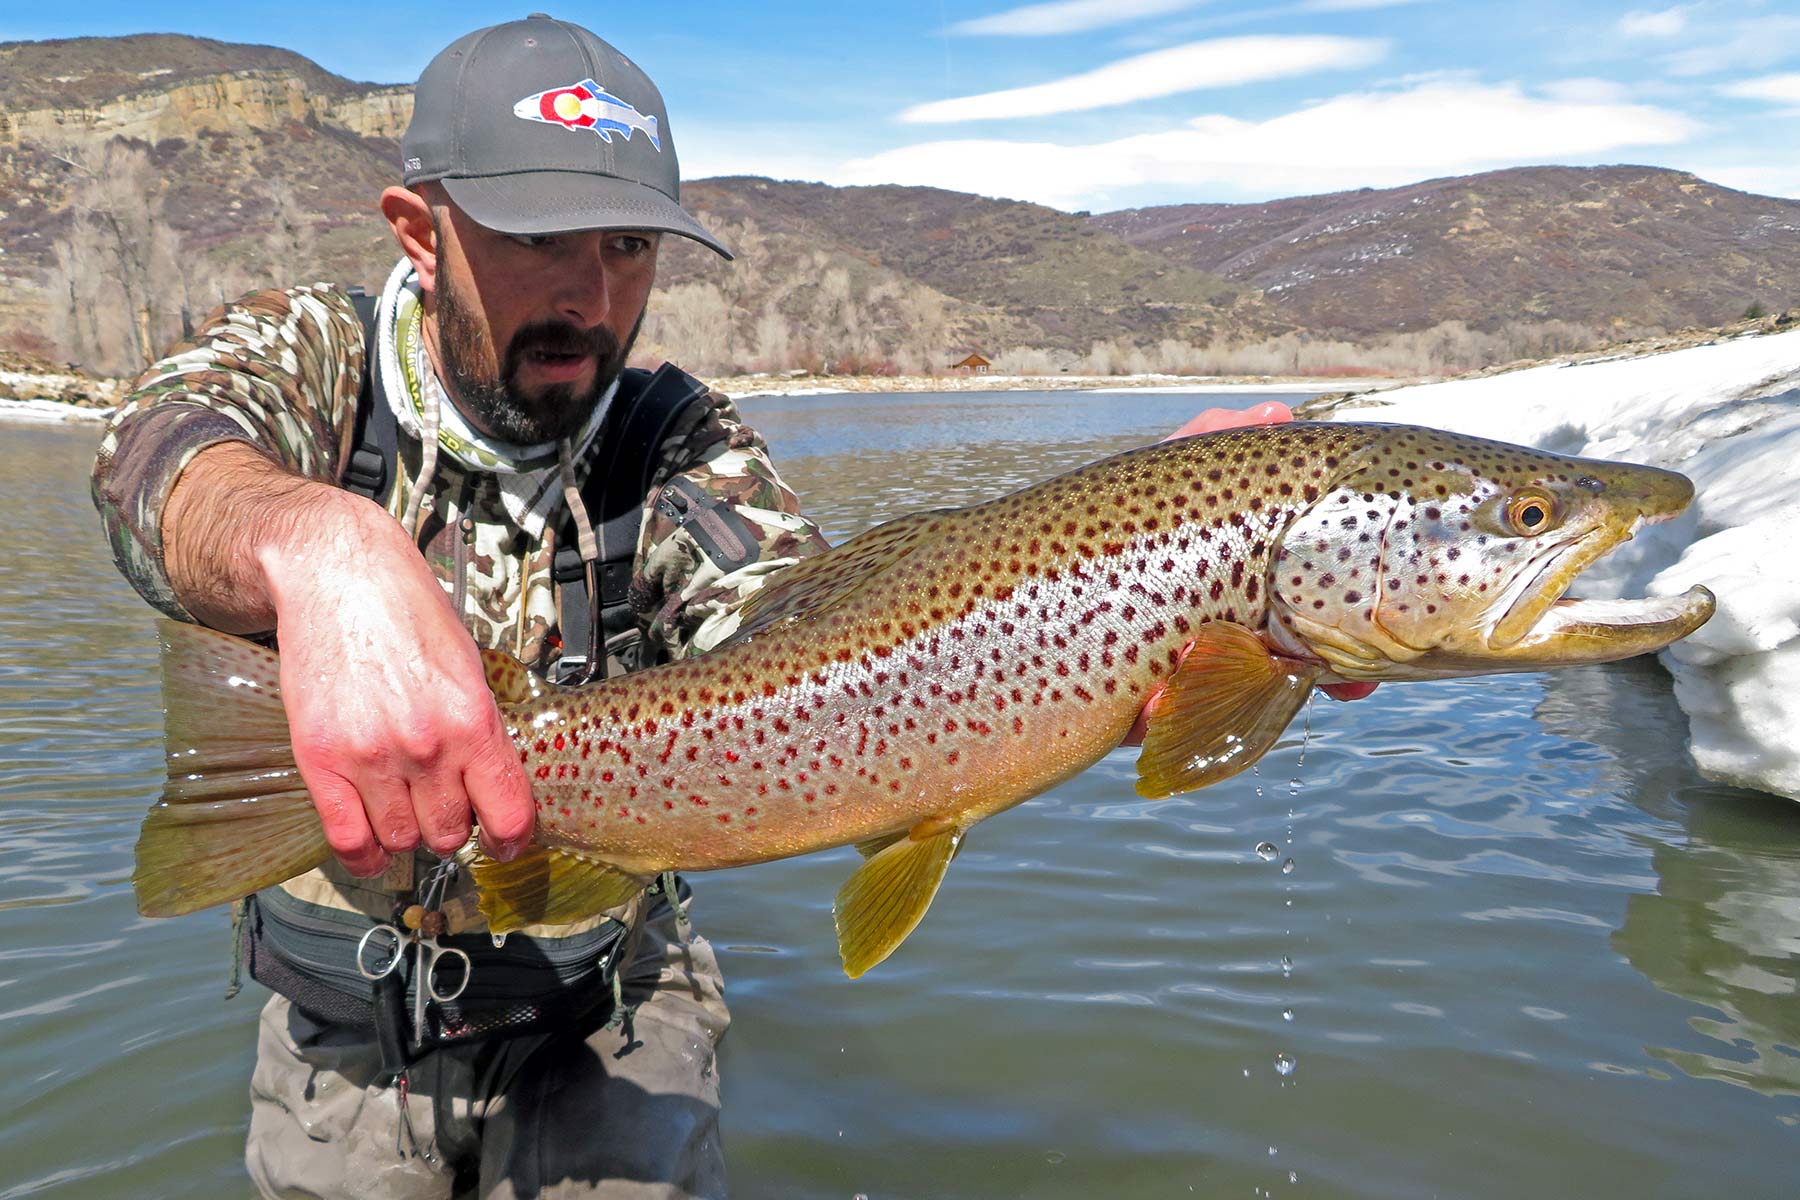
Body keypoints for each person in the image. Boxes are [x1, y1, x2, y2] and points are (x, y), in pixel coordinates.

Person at [92, 16, 1372, 1198]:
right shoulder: (312, 357)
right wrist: (316, 542)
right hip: (345, 1033)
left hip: (611, 995)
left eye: (628, 247)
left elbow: (807, 640)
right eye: (541, 241)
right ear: (419, 233)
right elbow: (155, 458)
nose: (591, 296)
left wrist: (1136, 574)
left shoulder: (678, 436)